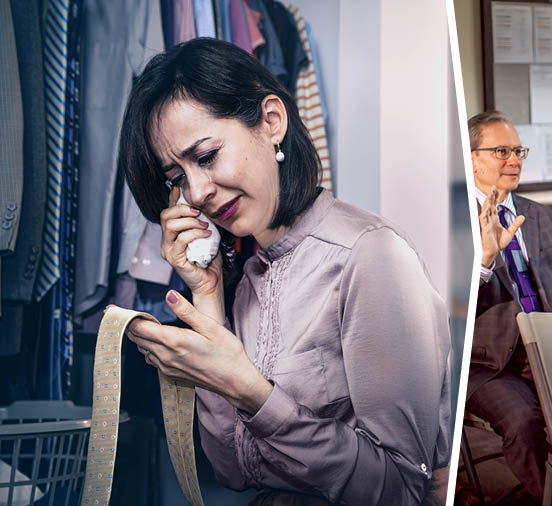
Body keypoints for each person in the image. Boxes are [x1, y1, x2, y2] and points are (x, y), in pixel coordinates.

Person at [118, 38, 451, 505]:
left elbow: (402, 488)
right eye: (176, 179)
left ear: (271, 121)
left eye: (207, 157)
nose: (195, 193)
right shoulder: (248, 276)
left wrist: (250, 390)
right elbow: (233, 471)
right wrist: (209, 297)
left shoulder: (370, 256)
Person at [466, 110, 552, 501]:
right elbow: (447, 310)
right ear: (472, 157)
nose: (514, 160)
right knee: (524, 420)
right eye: (501, 151)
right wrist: (485, 260)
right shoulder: (454, 220)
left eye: (518, 150)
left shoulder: (539, 215)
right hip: (488, 363)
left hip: (549, 347)